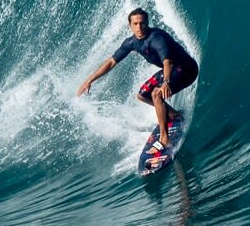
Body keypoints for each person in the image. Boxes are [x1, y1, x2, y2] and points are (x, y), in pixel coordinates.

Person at [77, 8, 198, 149]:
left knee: (156, 94)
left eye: (142, 23)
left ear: (147, 23)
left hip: (187, 69)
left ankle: (165, 139)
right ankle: (173, 114)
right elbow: (111, 62)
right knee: (142, 95)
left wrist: (166, 83)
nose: (139, 27)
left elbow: (167, 62)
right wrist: (89, 80)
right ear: (130, 25)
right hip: (172, 70)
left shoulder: (157, 38)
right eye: (135, 24)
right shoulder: (131, 43)